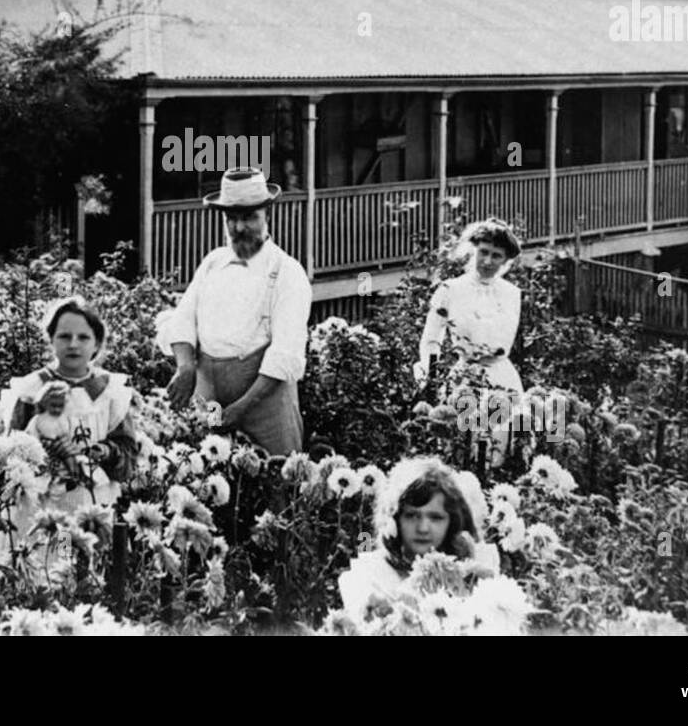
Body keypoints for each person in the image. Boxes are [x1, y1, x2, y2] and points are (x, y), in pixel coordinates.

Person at [162, 167, 312, 455]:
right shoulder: (212, 263)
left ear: (267, 215)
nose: (239, 228)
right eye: (231, 219)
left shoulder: (286, 272)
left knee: (275, 478)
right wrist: (185, 367)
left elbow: (286, 351)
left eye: (249, 218)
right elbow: (183, 318)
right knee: (205, 472)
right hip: (210, 394)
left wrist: (243, 406)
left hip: (263, 400)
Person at [6, 297, 138, 510]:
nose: (73, 344)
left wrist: (103, 451)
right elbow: (12, 450)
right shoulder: (33, 389)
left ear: (96, 343)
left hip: (95, 502)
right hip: (46, 504)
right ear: (51, 339)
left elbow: (128, 452)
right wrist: (47, 451)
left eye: (83, 337)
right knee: (58, 541)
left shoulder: (110, 393)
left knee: (88, 540)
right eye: (65, 336)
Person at [417, 218, 523, 464]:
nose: (487, 261)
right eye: (483, 252)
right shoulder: (450, 289)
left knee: (500, 448)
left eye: (496, 256)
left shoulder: (511, 294)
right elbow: (431, 339)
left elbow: (505, 340)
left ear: (506, 261)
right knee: (460, 447)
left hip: (501, 378)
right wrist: (431, 376)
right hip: (464, 377)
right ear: (472, 251)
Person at [337, 457, 492, 621]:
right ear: (394, 519)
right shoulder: (369, 576)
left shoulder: (470, 575)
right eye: (411, 516)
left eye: (436, 518)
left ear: (452, 522)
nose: (423, 528)